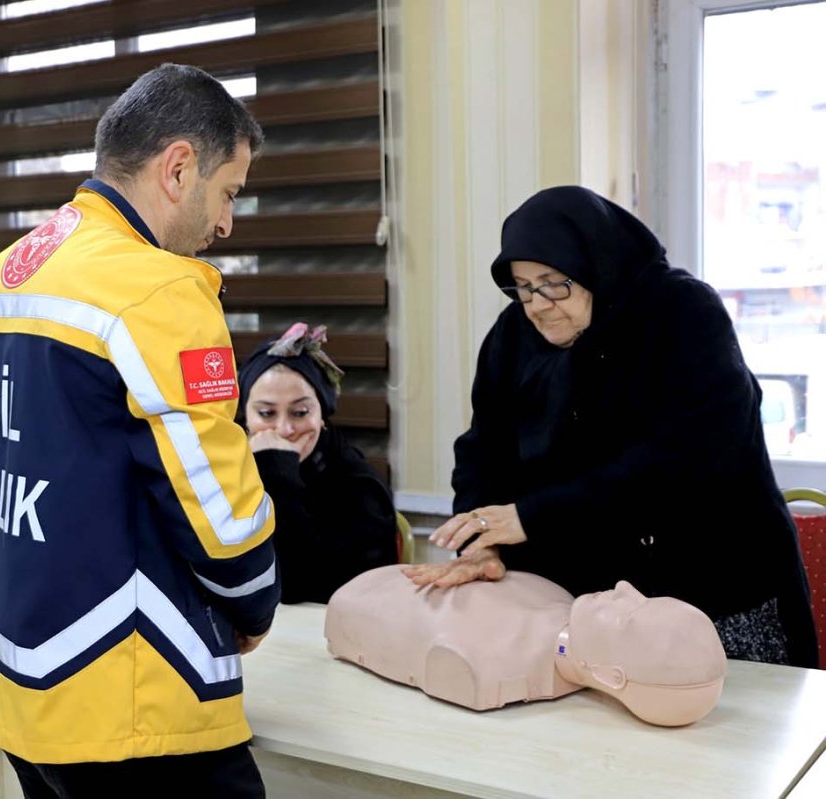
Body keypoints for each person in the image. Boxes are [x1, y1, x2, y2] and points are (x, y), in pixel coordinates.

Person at [0, 64, 279, 798]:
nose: (226, 224)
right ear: (177, 167)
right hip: (126, 691)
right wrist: (254, 600)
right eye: (229, 192)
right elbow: (221, 512)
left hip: (18, 682)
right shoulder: (155, 288)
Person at [403, 186, 817, 668]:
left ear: (594, 264)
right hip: (589, 599)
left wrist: (533, 516)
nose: (537, 304)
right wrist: (482, 541)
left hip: (715, 587)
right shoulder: (513, 335)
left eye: (554, 282)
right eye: (523, 286)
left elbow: (686, 460)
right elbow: (483, 448)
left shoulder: (682, 314)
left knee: (723, 726)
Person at [328, 565, 727, 726]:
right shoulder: (555, 593)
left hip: (367, 602)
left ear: (610, 675)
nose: (624, 589)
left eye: (628, 614)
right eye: (641, 597)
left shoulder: (483, 665)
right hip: (376, 586)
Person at [238, 323, 398, 603]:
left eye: (300, 412)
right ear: (246, 418)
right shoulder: (227, 470)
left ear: (322, 414)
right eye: (266, 413)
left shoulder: (360, 487)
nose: (284, 428)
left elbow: (303, 586)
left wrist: (278, 475)